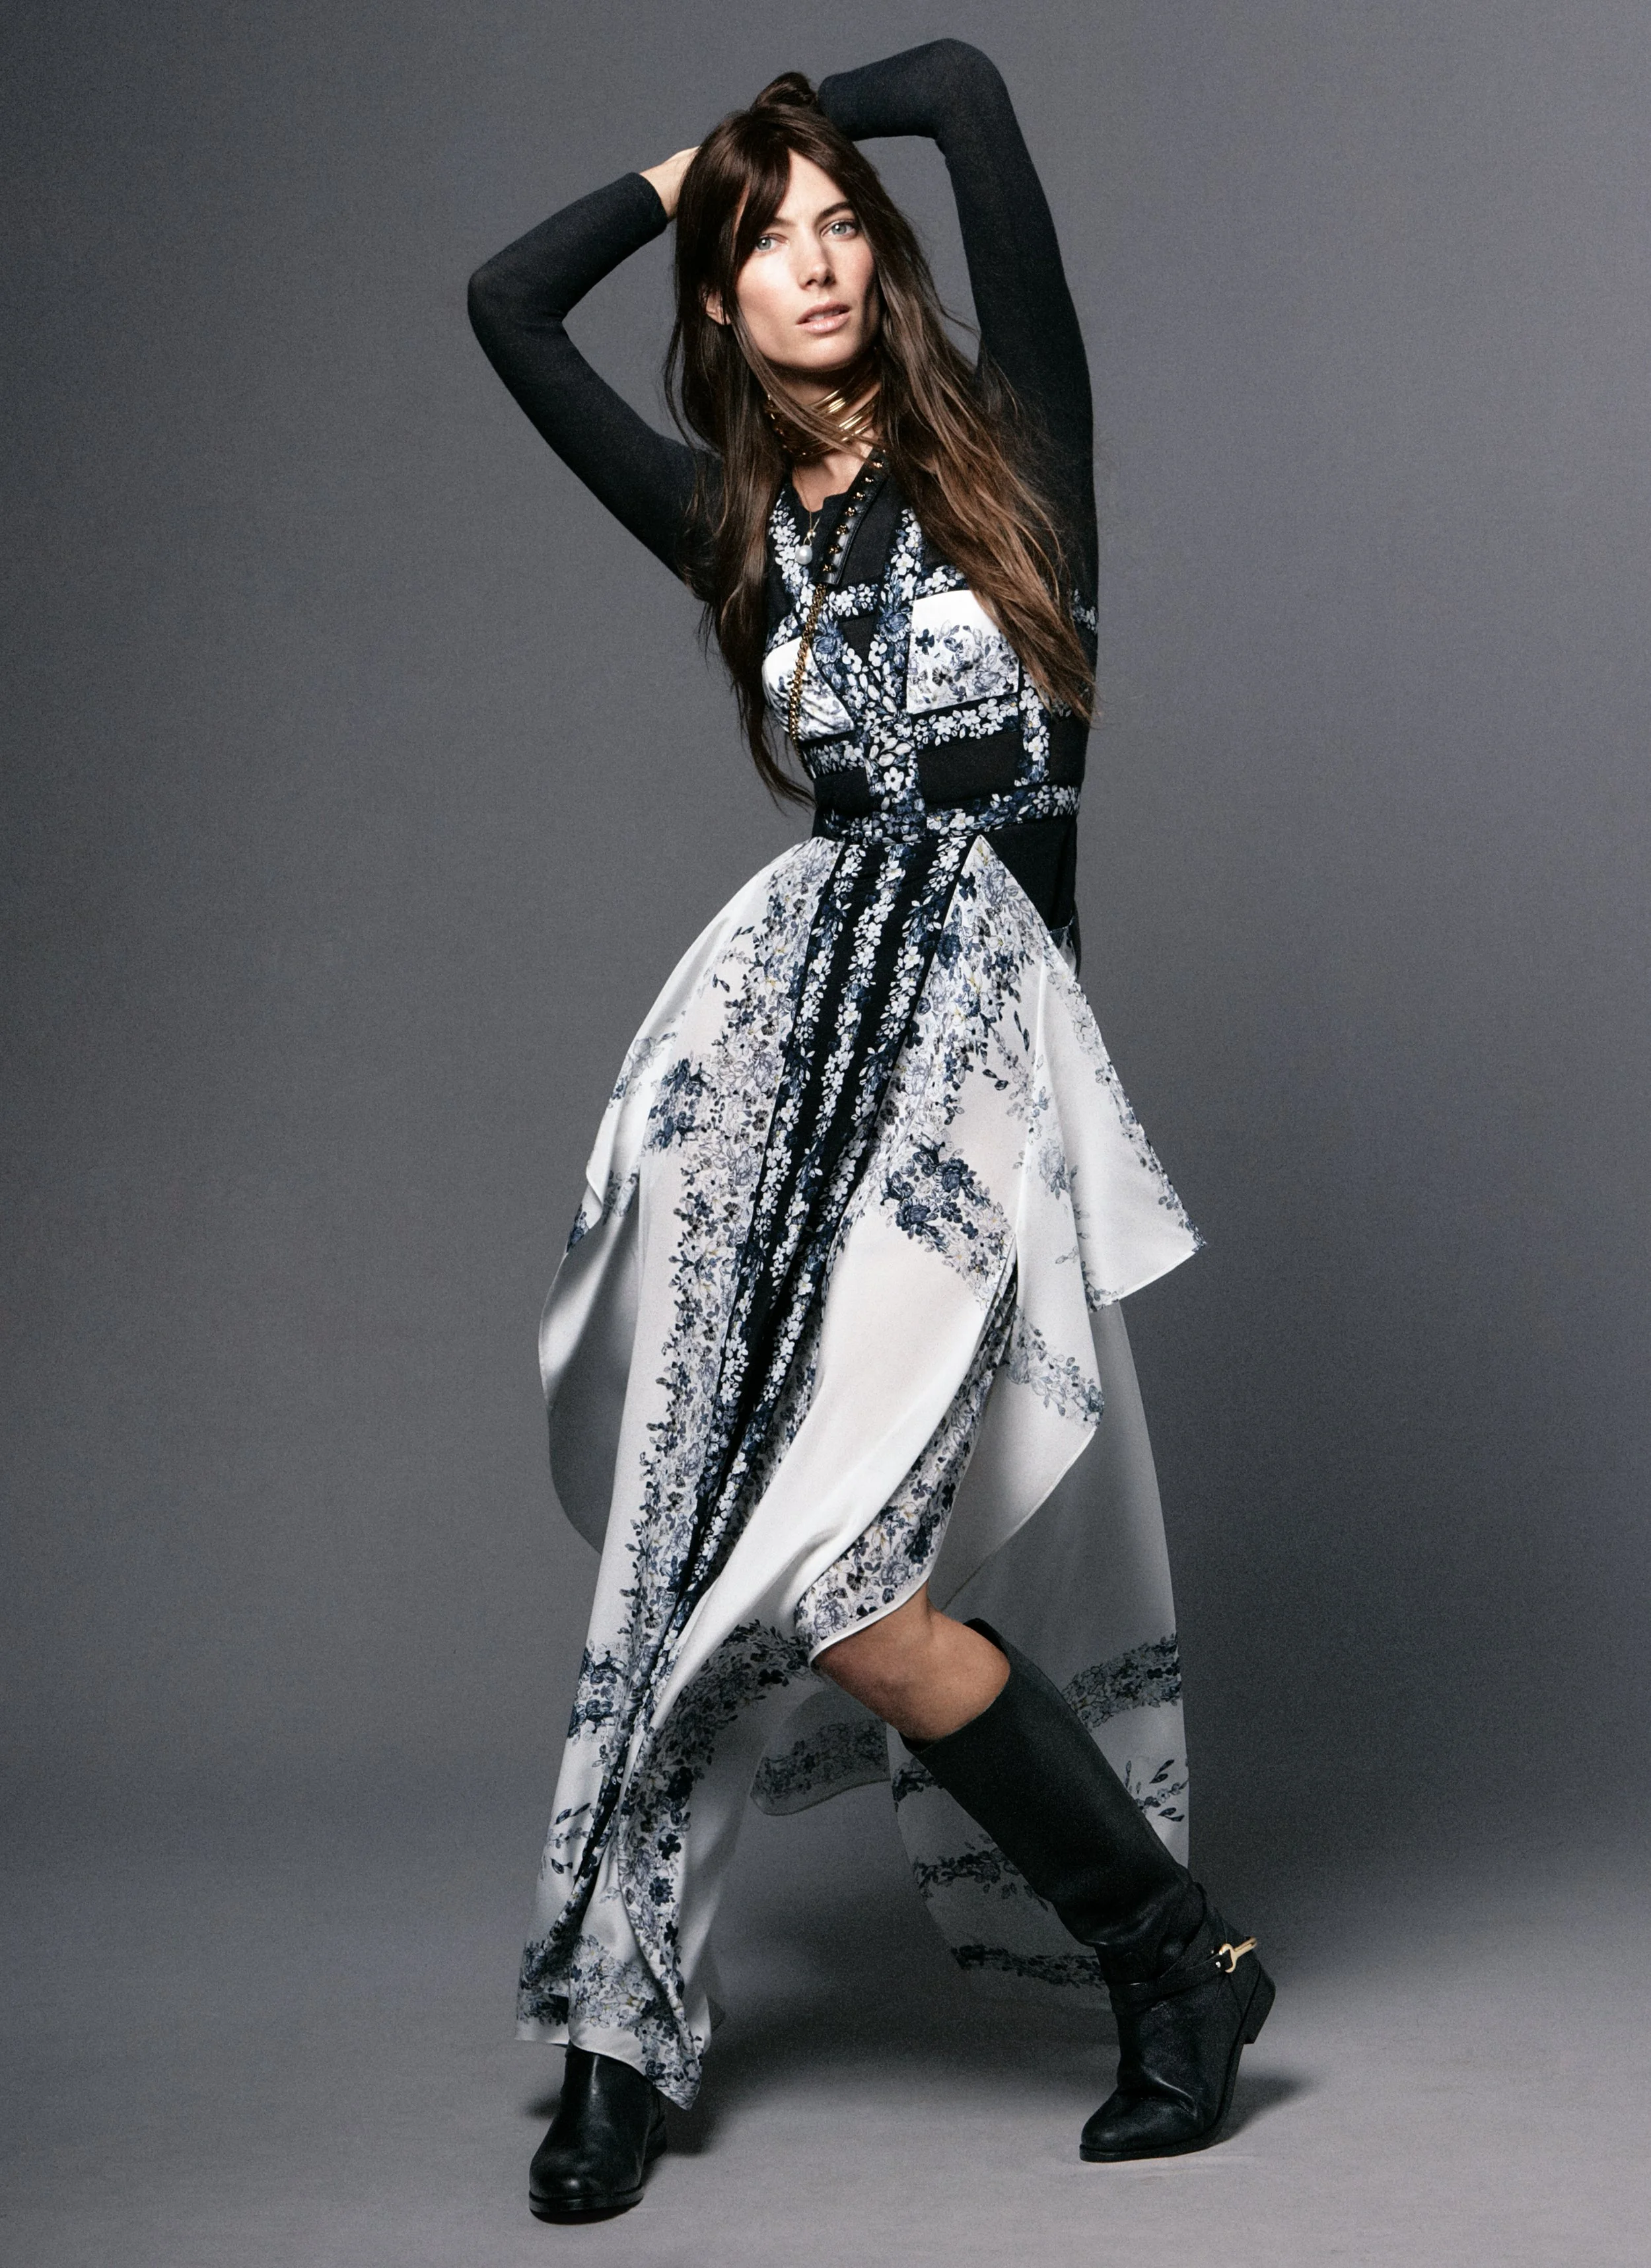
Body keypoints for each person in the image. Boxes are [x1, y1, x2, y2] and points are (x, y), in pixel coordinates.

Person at [468, 38, 1272, 2223]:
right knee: (679, 1537)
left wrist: (805, 109)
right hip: (768, 1063)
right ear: (719, 296)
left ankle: (1174, 1959)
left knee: (838, 1574)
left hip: (973, 1083)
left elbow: (972, 93)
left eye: (839, 227)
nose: (816, 263)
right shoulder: (732, 528)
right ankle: (619, 2033)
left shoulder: (1018, 461)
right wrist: (700, 167)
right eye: (769, 243)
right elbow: (507, 306)